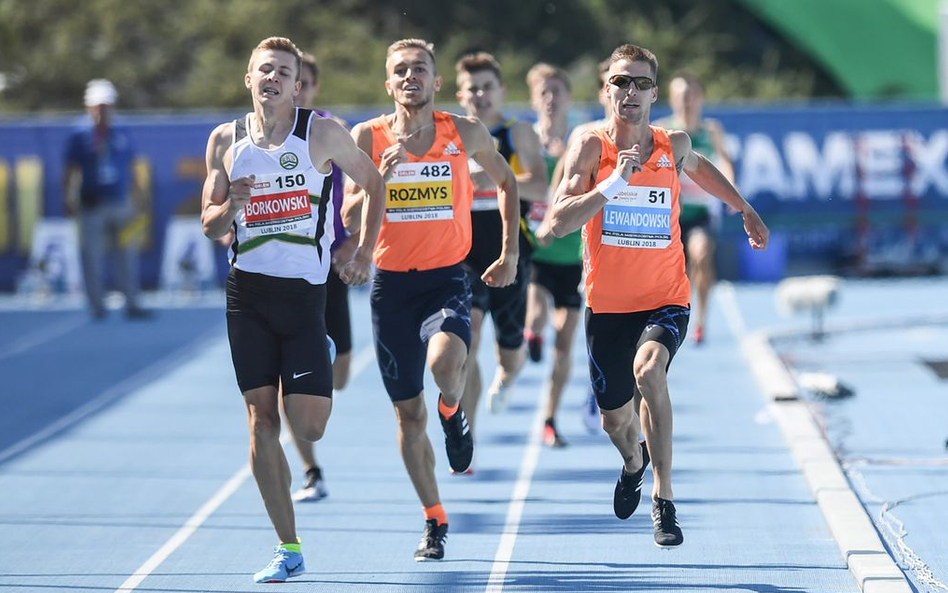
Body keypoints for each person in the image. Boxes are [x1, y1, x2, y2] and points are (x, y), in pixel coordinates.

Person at [549, 43, 768, 548]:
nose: (631, 92)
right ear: (607, 89)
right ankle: (633, 462)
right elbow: (558, 223)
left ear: (653, 92)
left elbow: (700, 168)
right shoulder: (589, 147)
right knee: (616, 421)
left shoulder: (674, 143)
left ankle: (664, 500)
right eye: (621, 82)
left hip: (666, 297)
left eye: (641, 83)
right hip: (607, 306)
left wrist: (744, 208)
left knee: (650, 370)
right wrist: (612, 184)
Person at [200, 36, 384, 582]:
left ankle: (317, 355)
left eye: (285, 72)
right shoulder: (225, 140)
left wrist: (366, 251)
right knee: (260, 419)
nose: (274, 78)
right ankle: (289, 547)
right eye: (265, 70)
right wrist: (230, 203)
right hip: (247, 296)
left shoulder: (321, 133)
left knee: (311, 425)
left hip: (307, 295)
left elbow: (373, 181)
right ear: (248, 79)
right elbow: (210, 227)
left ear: (298, 84)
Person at [344, 38, 519, 560]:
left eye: (420, 68)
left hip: (446, 277)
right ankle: (434, 519)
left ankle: (454, 412)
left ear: (436, 82)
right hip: (391, 288)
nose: (410, 76)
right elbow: (349, 214)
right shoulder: (367, 137)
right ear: (388, 83)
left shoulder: (462, 132)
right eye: (400, 70)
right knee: (406, 418)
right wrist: (381, 177)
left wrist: (509, 253)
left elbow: (507, 181)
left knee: (448, 364)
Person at [454, 52, 547, 427]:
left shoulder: (517, 132)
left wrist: (493, 178)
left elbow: (540, 185)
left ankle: (507, 375)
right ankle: (467, 432)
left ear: (502, 91)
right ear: (460, 94)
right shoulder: (450, 134)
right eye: (472, 89)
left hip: (510, 252)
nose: (480, 95)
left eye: (487, 87)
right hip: (462, 253)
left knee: (509, 350)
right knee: (468, 338)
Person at [285, 51, 358, 504]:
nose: (298, 91)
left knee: (342, 373)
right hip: (279, 272)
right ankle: (311, 470)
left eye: (305, 83)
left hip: (326, 263)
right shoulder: (255, 133)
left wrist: (351, 241)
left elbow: (361, 187)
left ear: (310, 87)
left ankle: (324, 350)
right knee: (282, 383)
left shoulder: (331, 129)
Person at [523, 63, 582, 448]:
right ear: (533, 98)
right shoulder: (525, 139)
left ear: (568, 97)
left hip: (574, 256)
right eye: (544, 91)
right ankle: (531, 333)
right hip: (538, 251)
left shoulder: (583, 139)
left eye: (557, 91)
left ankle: (549, 418)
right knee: (538, 310)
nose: (550, 98)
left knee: (565, 347)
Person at [656, 73, 736, 345]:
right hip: (669, 216)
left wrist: (731, 193)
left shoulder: (711, 130)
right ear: (671, 99)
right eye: (680, 96)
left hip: (699, 214)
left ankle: (700, 320)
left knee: (701, 256)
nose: (686, 102)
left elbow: (725, 162)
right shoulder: (663, 130)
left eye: (690, 96)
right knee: (669, 273)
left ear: (699, 98)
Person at [63, 79, 149, 320]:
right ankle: (96, 305)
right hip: (92, 204)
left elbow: (131, 167)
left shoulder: (122, 130)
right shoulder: (79, 133)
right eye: (98, 106)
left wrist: (139, 197)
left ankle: (132, 302)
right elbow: (69, 169)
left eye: (106, 105)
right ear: (89, 107)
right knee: (92, 255)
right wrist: (67, 198)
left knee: (127, 253)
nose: (103, 110)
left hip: (121, 203)